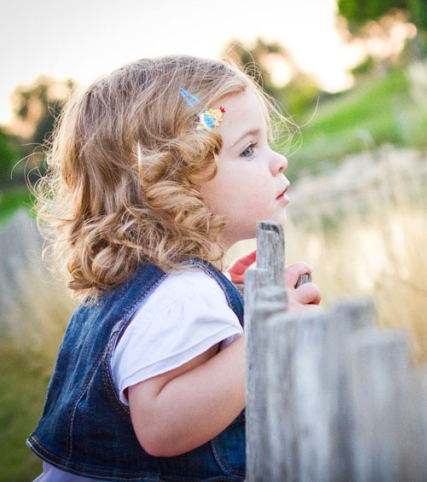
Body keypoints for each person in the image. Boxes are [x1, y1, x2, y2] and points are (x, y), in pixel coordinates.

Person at [27, 55, 322, 481]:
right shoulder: (183, 295)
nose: (279, 161)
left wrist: (235, 302)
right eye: (250, 149)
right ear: (172, 182)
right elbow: (163, 427)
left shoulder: (148, 291)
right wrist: (269, 332)